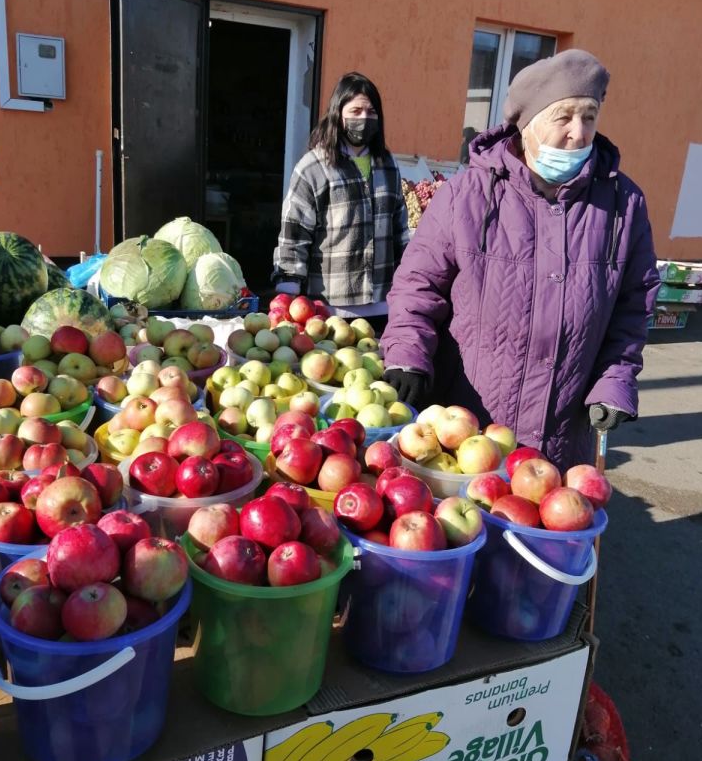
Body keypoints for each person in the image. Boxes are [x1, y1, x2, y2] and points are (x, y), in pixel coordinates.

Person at [381, 49, 660, 471]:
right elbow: (418, 288)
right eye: (563, 117)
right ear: (525, 125)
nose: (578, 133)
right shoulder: (467, 196)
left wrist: (615, 382)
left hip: (561, 443)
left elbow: (633, 306)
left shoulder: (624, 204)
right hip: (465, 440)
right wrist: (408, 354)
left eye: (589, 116)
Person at [272, 71, 410, 333]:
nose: (363, 118)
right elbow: (294, 235)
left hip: (383, 309)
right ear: (338, 113)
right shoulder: (313, 167)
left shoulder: (387, 164)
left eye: (371, 112)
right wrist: (287, 295)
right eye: (355, 111)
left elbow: (401, 231)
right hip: (328, 312)